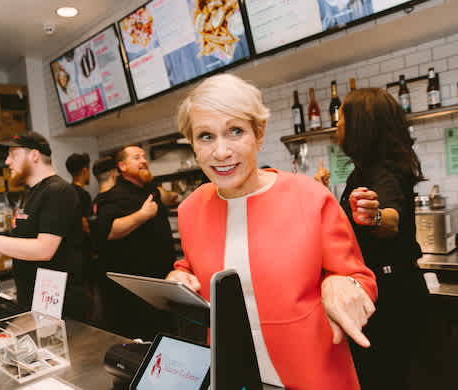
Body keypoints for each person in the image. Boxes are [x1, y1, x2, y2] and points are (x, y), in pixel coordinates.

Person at [166, 74, 377, 389]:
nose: (220, 152)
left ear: (259, 134)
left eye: (235, 131)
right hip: (230, 375)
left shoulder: (310, 197)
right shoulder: (190, 209)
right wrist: (178, 278)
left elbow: (359, 278)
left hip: (313, 374)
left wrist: (340, 283)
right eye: (206, 136)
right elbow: (193, 264)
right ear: (193, 144)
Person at [315, 88, 429, 390]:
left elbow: (390, 219)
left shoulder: (384, 172)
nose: (336, 127)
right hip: (390, 292)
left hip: (391, 301)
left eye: (341, 121)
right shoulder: (366, 169)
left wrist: (375, 216)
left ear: (360, 126)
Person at [0, 132, 81, 310]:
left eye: (13, 155)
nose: (7, 161)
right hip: (32, 299)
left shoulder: (58, 191)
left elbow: (44, 249)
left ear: (34, 155)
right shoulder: (29, 194)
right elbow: (25, 240)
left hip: (60, 304)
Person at [95, 145, 176, 340]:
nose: (143, 160)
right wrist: (142, 215)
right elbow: (108, 232)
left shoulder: (150, 189)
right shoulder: (113, 196)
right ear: (122, 166)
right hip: (137, 288)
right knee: (143, 339)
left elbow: (168, 197)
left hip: (162, 279)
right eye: (136, 157)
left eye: (144, 156)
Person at [64, 152, 94, 321]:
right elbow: (85, 225)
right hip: (84, 255)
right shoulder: (82, 194)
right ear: (84, 170)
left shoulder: (67, 191)